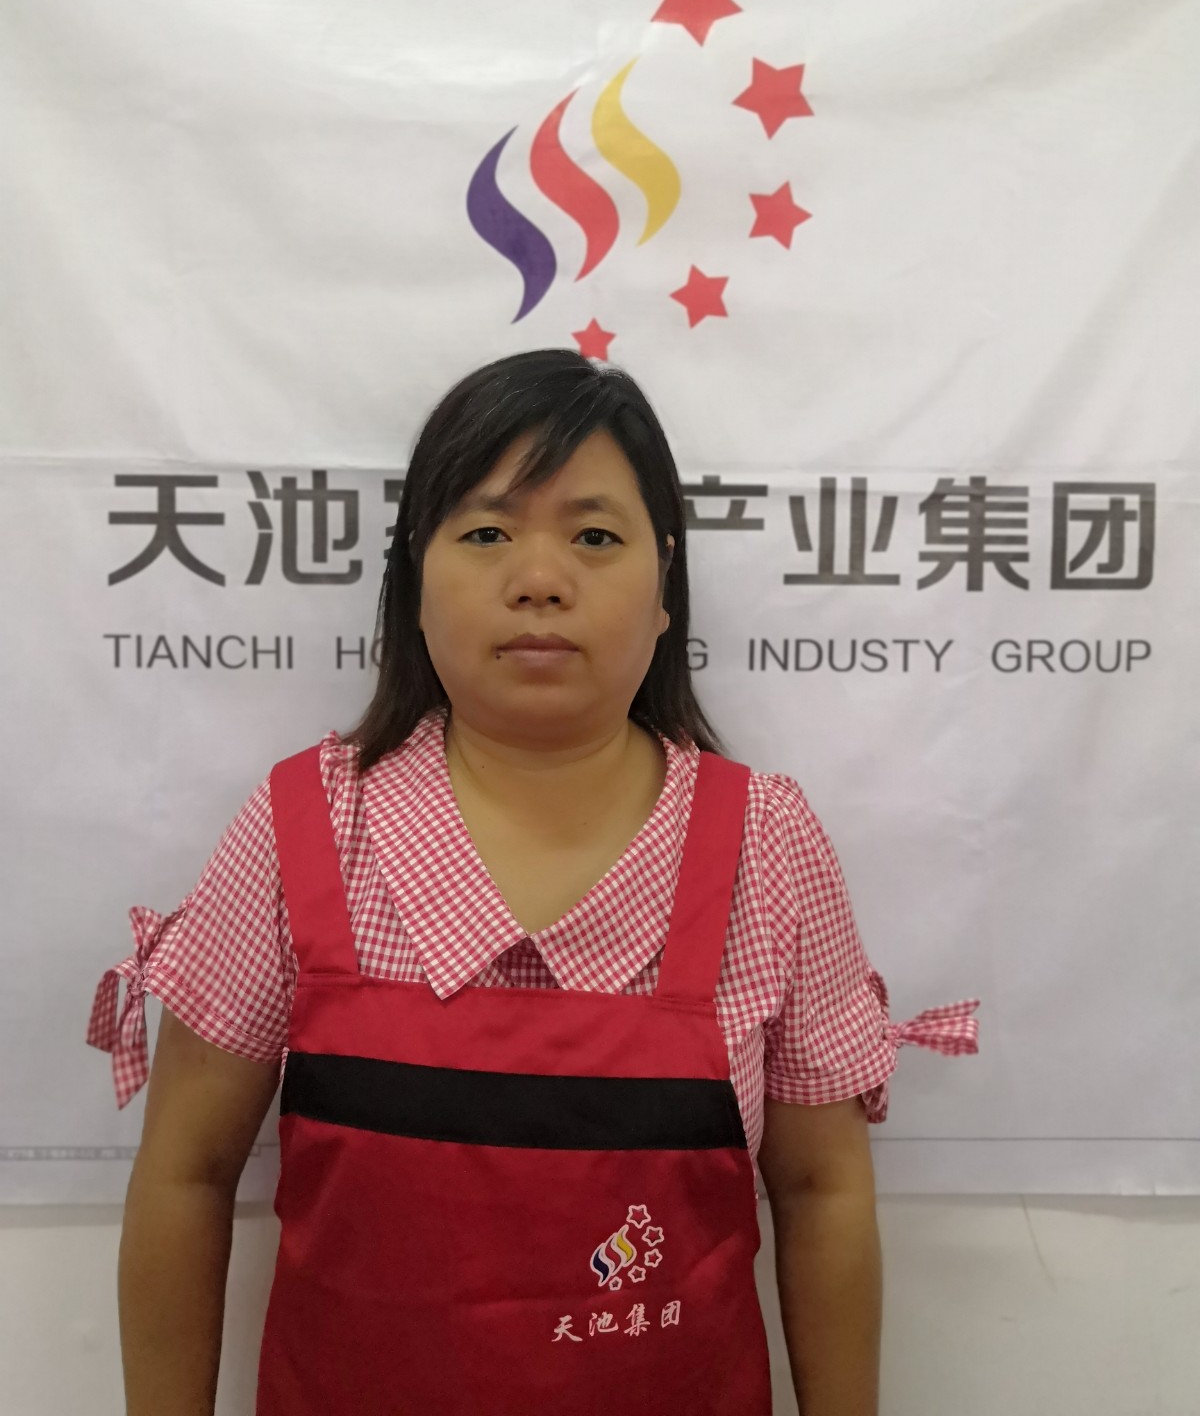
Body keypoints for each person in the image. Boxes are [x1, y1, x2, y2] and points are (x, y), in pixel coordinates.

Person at [88, 346, 979, 1416]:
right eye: (486, 532)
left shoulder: (766, 843)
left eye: (595, 536)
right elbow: (185, 1174)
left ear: (665, 587)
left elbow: (822, 1189)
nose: (541, 577)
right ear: (415, 585)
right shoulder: (304, 827)